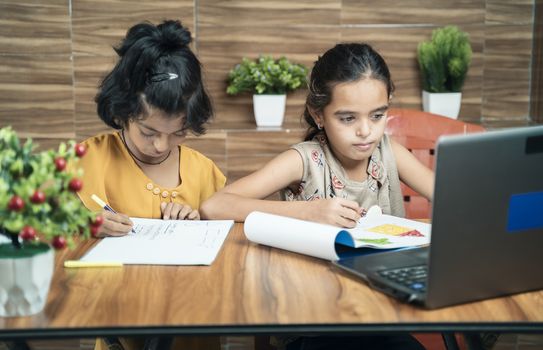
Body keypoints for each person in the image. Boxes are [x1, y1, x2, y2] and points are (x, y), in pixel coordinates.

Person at [201, 43, 433, 350]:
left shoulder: (391, 154)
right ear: (318, 114)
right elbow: (214, 206)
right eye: (348, 118)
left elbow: (456, 199)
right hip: (313, 322)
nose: (366, 131)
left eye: (377, 115)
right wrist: (307, 213)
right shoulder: (305, 160)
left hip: (382, 315)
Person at [77, 19, 224, 350]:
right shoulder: (90, 159)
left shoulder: (204, 172)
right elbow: (31, 229)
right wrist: (81, 222)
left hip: (194, 334)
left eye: (177, 133)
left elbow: (231, 258)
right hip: (120, 332)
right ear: (124, 110)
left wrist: (198, 225)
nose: (161, 146)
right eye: (148, 132)